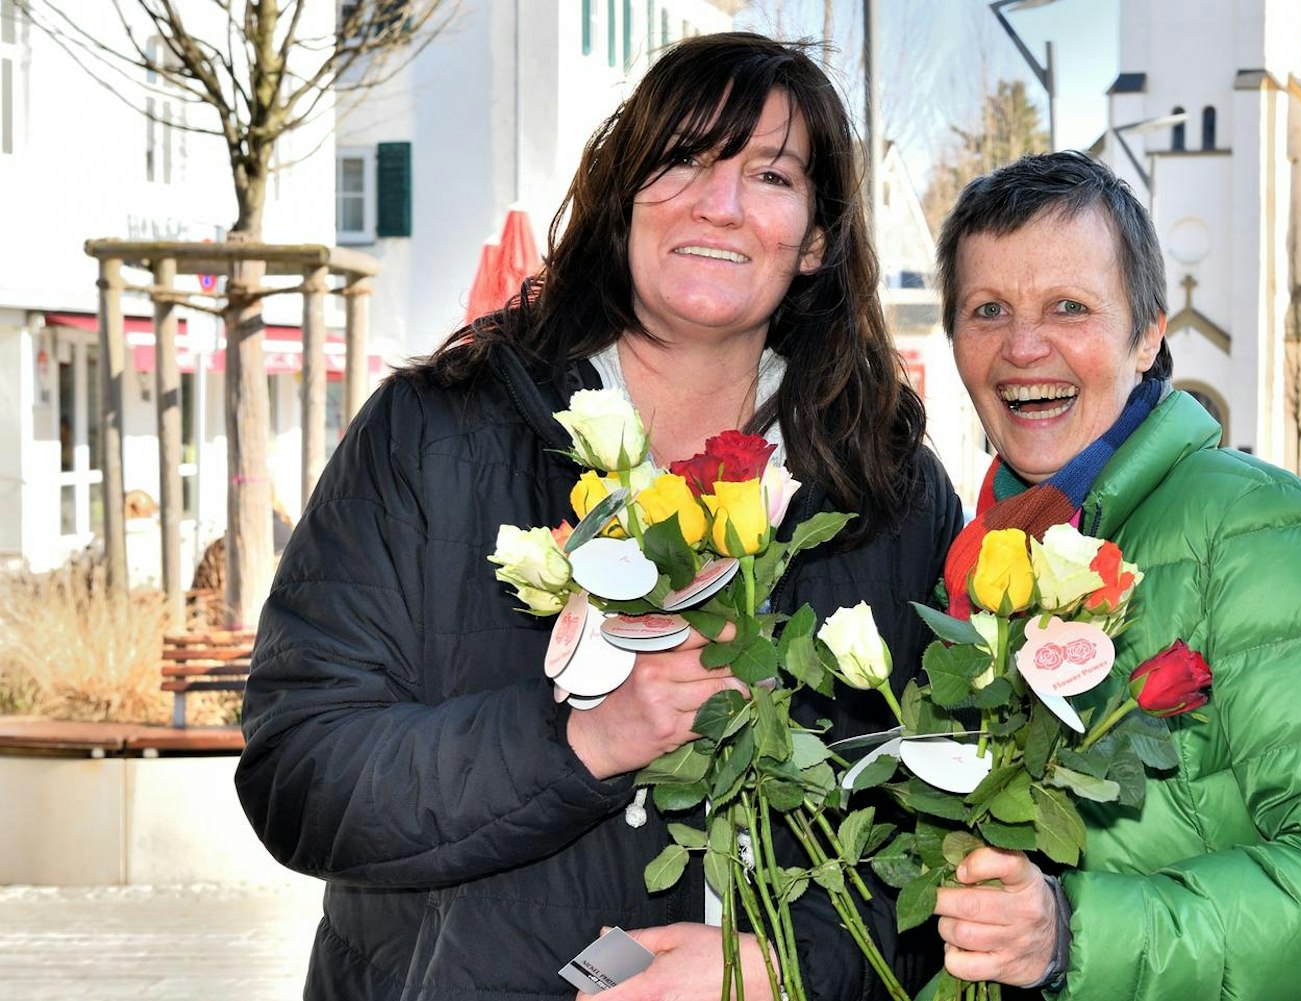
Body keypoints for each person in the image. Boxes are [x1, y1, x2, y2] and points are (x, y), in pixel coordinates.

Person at [234, 33, 961, 1001]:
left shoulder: (887, 489)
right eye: (683, 158)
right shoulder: (434, 436)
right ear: (622, 197)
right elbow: (300, 772)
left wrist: (785, 966)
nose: (719, 202)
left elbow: (943, 837)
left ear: (816, 238)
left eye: (770, 174)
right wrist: (582, 741)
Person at [923, 152, 1301, 1000]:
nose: (1023, 346)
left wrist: (1070, 934)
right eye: (988, 310)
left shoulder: (1275, 536)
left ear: (1148, 335)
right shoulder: (982, 553)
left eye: (1069, 307)